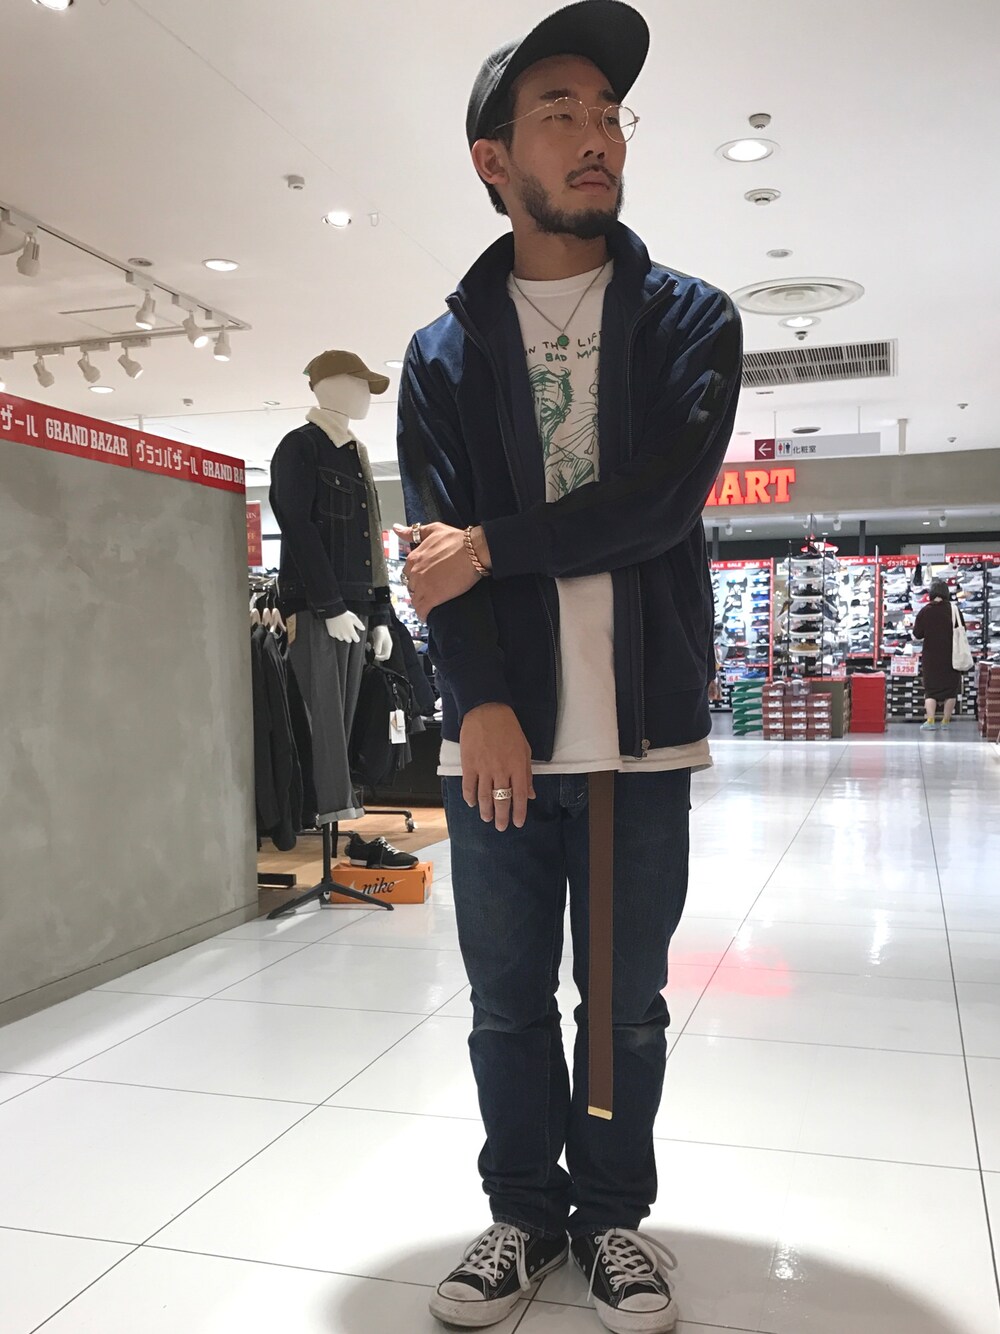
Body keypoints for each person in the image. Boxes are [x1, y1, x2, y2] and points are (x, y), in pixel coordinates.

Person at [394, 3, 742, 1330]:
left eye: (608, 113)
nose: (597, 135)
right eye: (561, 113)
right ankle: (523, 1214)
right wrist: (478, 697)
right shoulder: (442, 353)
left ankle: (610, 1219)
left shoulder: (689, 320)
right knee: (502, 1001)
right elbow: (432, 554)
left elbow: (656, 505)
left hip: (640, 727)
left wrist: (493, 543)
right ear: (495, 160)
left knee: (626, 1005)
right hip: (498, 735)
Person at [913, 578, 964, 730]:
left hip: (931, 657)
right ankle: (945, 722)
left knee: (930, 691)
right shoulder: (954, 610)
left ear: (931, 593)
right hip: (951, 656)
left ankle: (930, 721)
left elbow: (917, 634)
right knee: (950, 691)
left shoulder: (925, 611)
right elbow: (962, 629)